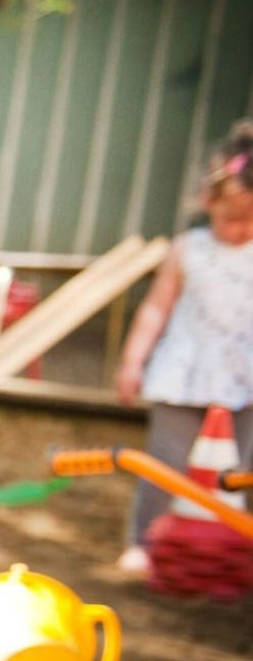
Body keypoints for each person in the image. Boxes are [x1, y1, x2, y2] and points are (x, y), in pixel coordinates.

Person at [113, 121, 253, 575]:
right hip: (182, 374)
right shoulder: (186, 249)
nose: (238, 228)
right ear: (209, 202)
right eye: (230, 217)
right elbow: (155, 309)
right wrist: (133, 361)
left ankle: (235, 547)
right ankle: (145, 542)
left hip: (245, 379)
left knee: (240, 472)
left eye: (250, 218)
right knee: (164, 466)